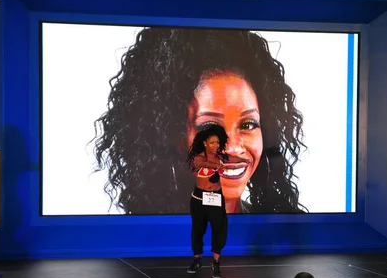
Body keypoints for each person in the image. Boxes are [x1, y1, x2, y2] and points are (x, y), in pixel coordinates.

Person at [92, 27, 307, 215]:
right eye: (210, 128)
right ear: (171, 135)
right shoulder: (143, 241)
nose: (232, 147)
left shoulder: (277, 240)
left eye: (248, 125)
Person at [186, 124, 250, 278]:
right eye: (212, 143)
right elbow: (203, 165)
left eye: (218, 143)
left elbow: (233, 159)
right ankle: (197, 259)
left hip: (215, 198)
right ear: (205, 143)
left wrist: (243, 159)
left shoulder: (221, 157)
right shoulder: (199, 157)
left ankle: (216, 262)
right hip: (199, 199)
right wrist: (218, 165)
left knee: (219, 229)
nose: (216, 146)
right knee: (198, 230)